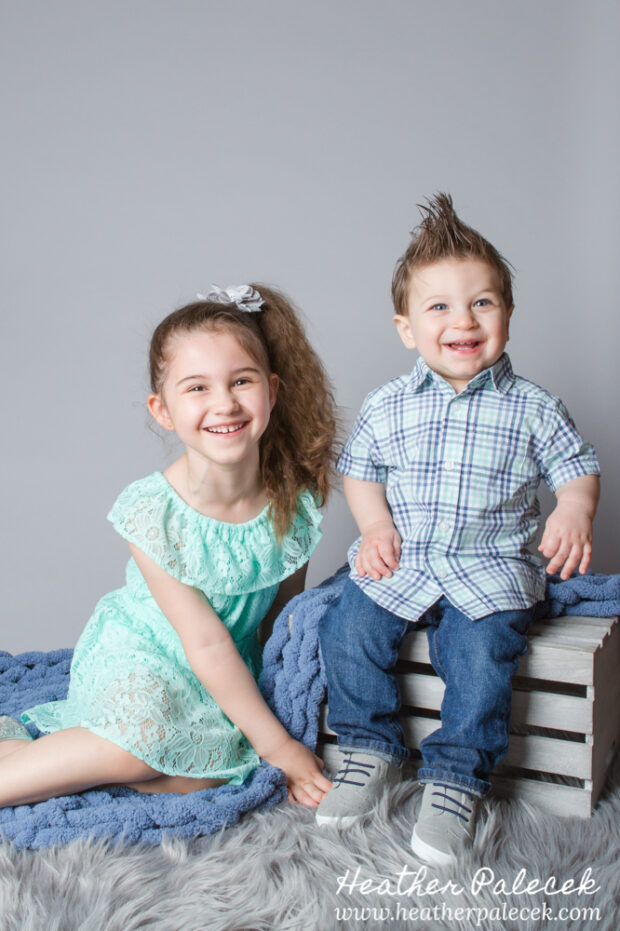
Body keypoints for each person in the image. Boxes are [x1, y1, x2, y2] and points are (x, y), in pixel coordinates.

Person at [316, 195, 600, 863]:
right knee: (345, 625)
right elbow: (360, 471)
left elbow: (577, 465)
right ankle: (368, 747)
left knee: (480, 657)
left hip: (491, 565)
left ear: (506, 315)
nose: (462, 320)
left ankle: (454, 778)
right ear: (407, 327)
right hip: (407, 557)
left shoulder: (532, 406)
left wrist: (574, 508)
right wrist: (376, 524)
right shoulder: (389, 404)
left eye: (482, 303)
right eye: (438, 306)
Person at [0, 283, 335, 809]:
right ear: (163, 409)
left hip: (223, 671)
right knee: (146, 746)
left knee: (212, 774)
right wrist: (279, 746)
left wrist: (274, 717)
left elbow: (280, 620)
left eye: (241, 381)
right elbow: (203, 642)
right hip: (143, 652)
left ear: (272, 390)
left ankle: (19, 755)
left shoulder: (296, 502)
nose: (223, 402)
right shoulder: (154, 512)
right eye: (196, 388)